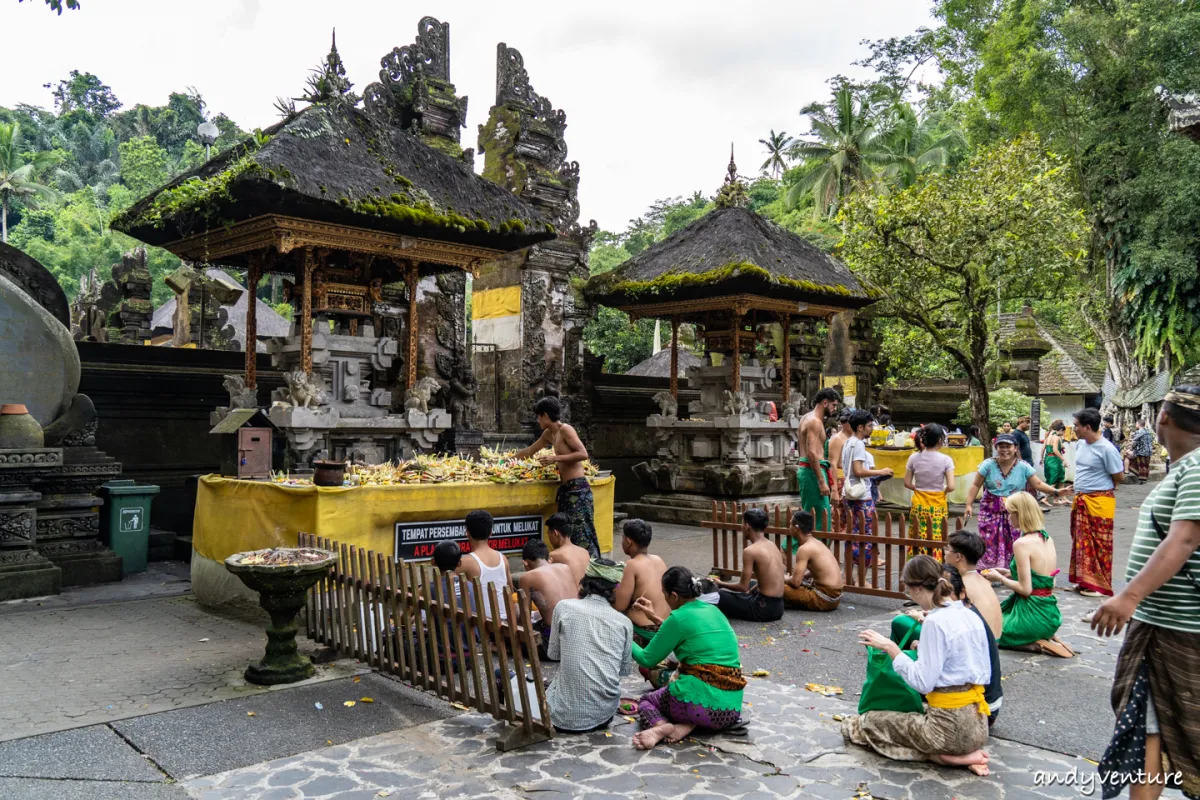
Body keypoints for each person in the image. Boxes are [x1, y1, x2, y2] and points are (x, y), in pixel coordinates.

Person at [1091, 386, 1200, 800]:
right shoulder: (1185, 467)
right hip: (1161, 621)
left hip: (1180, 625)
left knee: (1168, 726)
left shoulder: (1197, 468)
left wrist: (1129, 596)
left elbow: (1185, 539)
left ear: (1164, 417)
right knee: (1146, 725)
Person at [843, 556, 992, 775]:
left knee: (866, 723)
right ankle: (957, 754)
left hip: (947, 732)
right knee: (901, 711)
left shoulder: (935, 621)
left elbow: (923, 683)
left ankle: (946, 758)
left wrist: (892, 649)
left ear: (919, 588)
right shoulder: (969, 614)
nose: (911, 596)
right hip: (978, 724)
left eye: (909, 590)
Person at [630, 566, 745, 749]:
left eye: (665, 595)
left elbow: (647, 659)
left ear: (674, 596)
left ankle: (661, 727)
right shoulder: (714, 611)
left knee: (647, 701)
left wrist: (624, 635)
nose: (665, 599)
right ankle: (688, 724)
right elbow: (686, 632)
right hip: (729, 710)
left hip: (696, 705)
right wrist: (653, 616)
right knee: (695, 686)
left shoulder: (678, 617)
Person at [545, 559, 635, 734]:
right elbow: (623, 671)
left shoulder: (563, 607)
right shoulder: (624, 622)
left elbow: (553, 654)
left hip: (561, 715)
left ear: (584, 581)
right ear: (615, 588)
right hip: (604, 714)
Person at [981, 492, 1074, 657]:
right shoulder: (1046, 538)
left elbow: (1025, 589)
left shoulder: (1021, 544)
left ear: (1019, 514)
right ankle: (1040, 636)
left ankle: (1032, 644)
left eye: (1011, 513)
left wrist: (999, 578)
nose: (1009, 518)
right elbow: (1044, 579)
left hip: (1031, 616)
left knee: (988, 631)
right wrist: (1010, 573)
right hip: (1050, 614)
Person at [963, 433, 1067, 570]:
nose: (1004, 449)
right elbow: (975, 485)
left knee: (1013, 539)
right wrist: (968, 505)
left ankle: (1011, 571)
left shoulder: (1024, 467)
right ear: (996, 447)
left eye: (1008, 446)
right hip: (990, 510)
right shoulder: (987, 465)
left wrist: (1056, 492)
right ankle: (989, 570)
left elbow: (1038, 483)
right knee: (988, 539)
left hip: (1015, 511)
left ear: (1015, 448)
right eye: (1001, 446)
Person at [514, 396, 599, 558]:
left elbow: (583, 454)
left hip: (578, 489)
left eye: (538, 416)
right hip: (566, 491)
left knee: (582, 534)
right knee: (566, 534)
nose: (537, 420)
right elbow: (530, 451)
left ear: (545, 416)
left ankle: (591, 571)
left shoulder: (566, 430)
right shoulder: (548, 434)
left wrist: (555, 458)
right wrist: (503, 461)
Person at [1069, 408, 1124, 597]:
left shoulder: (1107, 448)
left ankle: (1099, 585)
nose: (1073, 428)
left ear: (1087, 427)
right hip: (1082, 498)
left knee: (1100, 544)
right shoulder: (1081, 445)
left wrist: (1101, 489)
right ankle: (1085, 581)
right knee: (1082, 543)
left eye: (1076, 425)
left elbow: (1119, 475)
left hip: (1100, 501)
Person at [942, 565, 1004, 727]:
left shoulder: (954, 619)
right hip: (987, 703)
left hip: (978, 710)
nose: (942, 600)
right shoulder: (969, 610)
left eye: (946, 594)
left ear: (962, 592)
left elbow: (926, 678)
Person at [842, 409, 895, 579]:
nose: (872, 428)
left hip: (849, 494)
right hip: (861, 496)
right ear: (860, 427)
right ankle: (861, 579)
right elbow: (858, 470)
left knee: (853, 536)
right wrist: (881, 471)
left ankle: (848, 576)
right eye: (870, 425)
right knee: (865, 537)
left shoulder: (847, 442)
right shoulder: (858, 444)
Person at [714, 507, 785, 622]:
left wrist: (720, 584)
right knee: (753, 584)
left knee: (720, 595)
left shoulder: (750, 551)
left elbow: (742, 587)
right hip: (779, 607)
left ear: (747, 526)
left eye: (742, 524)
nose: (741, 527)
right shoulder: (772, 545)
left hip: (763, 610)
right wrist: (751, 590)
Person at [612, 519, 670, 645]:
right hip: (663, 625)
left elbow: (619, 606)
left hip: (644, 630)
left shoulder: (631, 565)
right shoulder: (658, 560)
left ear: (628, 542)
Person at [904, 424, 956, 559]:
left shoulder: (913, 457)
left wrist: (920, 488)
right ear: (940, 440)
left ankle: (915, 565)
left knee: (917, 535)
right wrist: (942, 489)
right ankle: (935, 564)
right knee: (936, 537)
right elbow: (951, 486)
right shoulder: (946, 460)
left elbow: (907, 483)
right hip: (937, 504)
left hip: (919, 503)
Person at [518, 539, 579, 649]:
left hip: (554, 644)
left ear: (525, 563)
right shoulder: (565, 567)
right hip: (578, 636)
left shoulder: (527, 577)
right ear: (548, 558)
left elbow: (524, 617)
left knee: (509, 636)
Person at [797, 388, 842, 531]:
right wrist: (821, 481)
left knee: (811, 515)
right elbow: (811, 452)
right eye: (833, 405)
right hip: (812, 472)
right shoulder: (815, 422)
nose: (835, 409)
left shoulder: (806, 417)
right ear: (824, 403)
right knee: (821, 517)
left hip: (809, 470)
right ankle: (793, 550)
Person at [944, 531, 1003, 639]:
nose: (944, 552)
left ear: (958, 557)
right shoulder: (983, 580)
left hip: (978, 643)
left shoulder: (961, 585)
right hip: (994, 641)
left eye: (947, 549)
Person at [782, 509, 843, 611]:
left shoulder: (804, 549)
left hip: (824, 599)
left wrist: (784, 578)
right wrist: (804, 576)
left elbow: (795, 582)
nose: (789, 528)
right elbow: (820, 568)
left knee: (774, 585)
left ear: (796, 528)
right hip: (835, 598)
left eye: (790, 525)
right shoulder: (817, 543)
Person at [458, 510, 511, 622]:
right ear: (491, 532)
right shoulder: (503, 559)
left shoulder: (465, 562)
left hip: (481, 625)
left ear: (467, 532)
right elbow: (509, 590)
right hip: (505, 623)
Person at [546, 512, 590, 584]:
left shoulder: (553, 556)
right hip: (586, 594)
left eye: (548, 534)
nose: (549, 538)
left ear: (555, 533)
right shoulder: (585, 552)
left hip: (570, 595)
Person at [828, 409, 854, 500]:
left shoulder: (856, 438)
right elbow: (833, 464)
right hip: (841, 478)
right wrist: (834, 489)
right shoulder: (837, 439)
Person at [1042, 420, 1069, 506]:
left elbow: (1043, 448)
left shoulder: (1049, 436)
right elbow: (1055, 450)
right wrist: (1063, 459)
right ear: (1060, 429)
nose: (1063, 433)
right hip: (1054, 459)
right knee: (1054, 479)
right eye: (1063, 431)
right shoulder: (1056, 437)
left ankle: (1060, 498)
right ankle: (1045, 498)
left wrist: (1041, 458)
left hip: (1048, 458)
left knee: (1060, 478)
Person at [1127, 419, 1155, 484]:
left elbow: (1135, 442)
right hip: (1149, 451)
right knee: (1146, 465)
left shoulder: (1139, 432)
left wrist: (1130, 449)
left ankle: (1142, 479)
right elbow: (1151, 440)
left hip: (1141, 451)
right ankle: (1144, 479)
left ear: (1139, 424)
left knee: (1141, 465)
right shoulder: (1149, 431)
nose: (1135, 425)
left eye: (1136, 424)